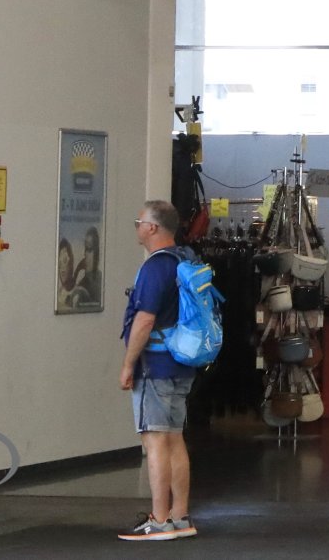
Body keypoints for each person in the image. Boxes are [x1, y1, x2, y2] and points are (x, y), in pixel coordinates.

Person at [117, 200, 200, 541]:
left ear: (152, 227)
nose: (137, 227)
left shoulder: (155, 267)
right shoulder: (186, 259)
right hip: (182, 362)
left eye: (139, 222)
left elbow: (144, 320)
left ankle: (160, 520)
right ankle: (180, 516)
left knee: (155, 441)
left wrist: (128, 364)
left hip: (155, 365)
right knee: (174, 438)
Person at [73, 225, 103, 308]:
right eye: (86, 249)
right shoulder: (83, 281)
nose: (85, 254)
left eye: (89, 249)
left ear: (96, 253)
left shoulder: (101, 281)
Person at [56, 239, 79, 310]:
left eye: (65, 260)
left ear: (71, 262)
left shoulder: (78, 293)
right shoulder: (57, 295)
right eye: (59, 264)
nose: (62, 268)